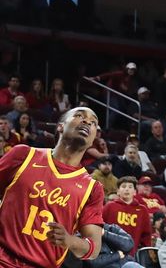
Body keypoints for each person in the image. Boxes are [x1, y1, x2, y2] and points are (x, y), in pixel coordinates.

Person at [0, 106, 105, 266]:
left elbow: (94, 248)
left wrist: (69, 240)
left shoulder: (92, 188)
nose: (87, 122)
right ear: (60, 126)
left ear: (93, 140)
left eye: (93, 122)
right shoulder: (24, 155)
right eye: (79, 115)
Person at [105, 177, 153, 248]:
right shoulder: (109, 206)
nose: (127, 189)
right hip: (109, 252)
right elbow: (100, 227)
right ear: (118, 191)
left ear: (134, 192)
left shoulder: (142, 210)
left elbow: (146, 236)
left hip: (131, 254)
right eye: (123, 186)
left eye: (130, 187)